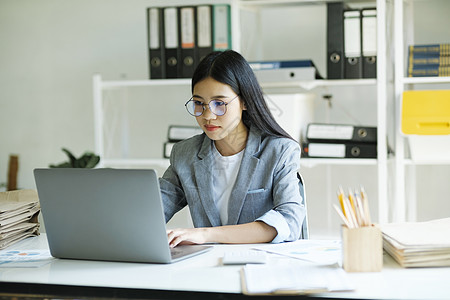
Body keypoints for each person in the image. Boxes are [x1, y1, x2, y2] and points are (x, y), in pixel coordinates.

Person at [159, 50, 306, 248]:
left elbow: (289, 221)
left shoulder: (280, 151)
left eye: (219, 104)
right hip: (208, 268)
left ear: (244, 101)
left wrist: (205, 234)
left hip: (261, 267)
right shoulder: (185, 154)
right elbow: (152, 211)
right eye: (199, 104)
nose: (208, 115)